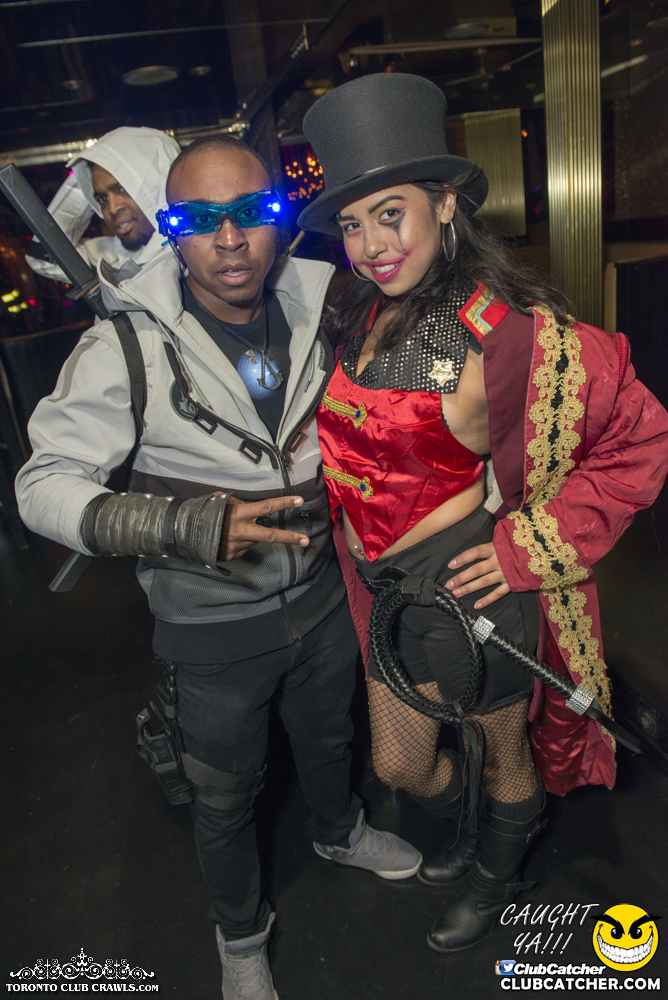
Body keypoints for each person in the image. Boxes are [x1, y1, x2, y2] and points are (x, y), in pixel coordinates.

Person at [15, 133, 421, 1000]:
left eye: (251, 212)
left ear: (280, 216)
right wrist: (189, 526)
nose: (229, 239)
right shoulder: (126, 346)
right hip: (210, 628)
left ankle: (339, 832)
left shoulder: (329, 302)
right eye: (199, 220)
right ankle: (240, 935)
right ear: (169, 228)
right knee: (224, 793)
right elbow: (41, 487)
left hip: (321, 601)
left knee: (329, 740)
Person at [296, 73, 668, 954]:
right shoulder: (360, 315)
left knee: (504, 748)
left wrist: (523, 549)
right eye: (353, 224)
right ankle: (478, 825)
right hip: (385, 588)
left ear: (446, 204)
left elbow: (642, 437)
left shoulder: (509, 336)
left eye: (391, 214)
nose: (371, 245)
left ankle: (499, 869)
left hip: (473, 589)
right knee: (399, 762)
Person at [25, 126, 180, 281]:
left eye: (123, 188)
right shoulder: (110, 263)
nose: (112, 209)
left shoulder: (188, 251)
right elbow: (42, 255)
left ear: (158, 183)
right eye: (102, 199)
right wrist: (84, 176)